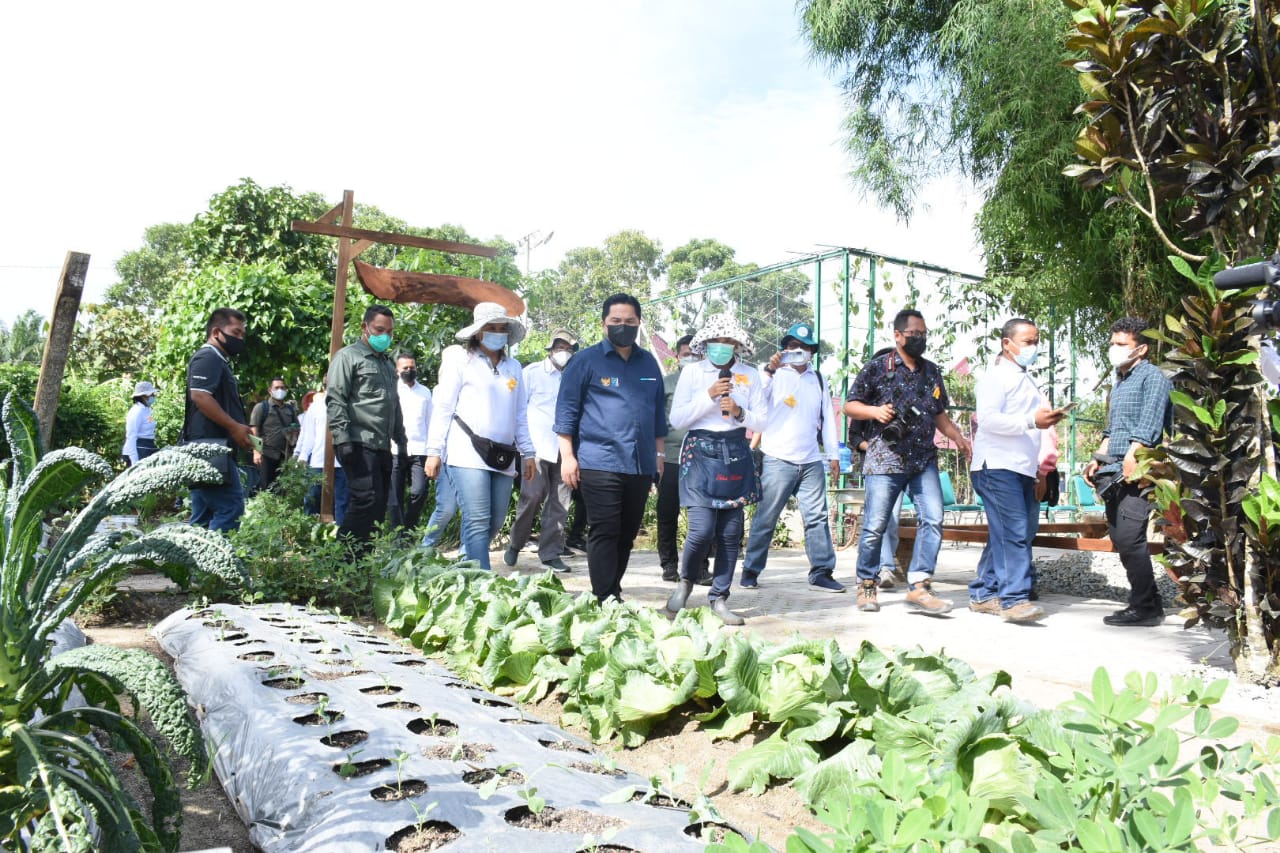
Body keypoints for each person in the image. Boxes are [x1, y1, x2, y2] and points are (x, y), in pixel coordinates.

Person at [844, 309, 972, 615]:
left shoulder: (931, 372)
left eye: (924, 334)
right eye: (915, 334)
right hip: (885, 460)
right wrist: (874, 413)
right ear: (898, 335)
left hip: (923, 459)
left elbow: (940, 415)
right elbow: (850, 405)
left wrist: (959, 438)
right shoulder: (878, 367)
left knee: (934, 518)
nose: (920, 339)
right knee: (875, 525)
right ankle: (866, 583)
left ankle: (919, 585)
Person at [555, 293, 667, 603]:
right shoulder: (585, 361)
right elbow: (566, 411)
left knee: (628, 533)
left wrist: (659, 454)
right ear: (604, 323)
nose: (622, 326)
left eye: (629, 321)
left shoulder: (649, 363)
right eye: (616, 321)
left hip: (640, 463)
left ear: (638, 323)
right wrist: (568, 457)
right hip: (598, 460)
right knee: (605, 529)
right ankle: (604, 595)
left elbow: (658, 412)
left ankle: (612, 588)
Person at [665, 314, 767, 625]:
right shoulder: (693, 373)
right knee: (701, 530)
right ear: (705, 344)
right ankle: (685, 582)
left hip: (735, 452)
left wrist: (739, 412)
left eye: (728, 342)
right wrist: (709, 397)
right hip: (699, 454)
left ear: (737, 345)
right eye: (716, 342)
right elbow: (678, 419)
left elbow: (763, 420)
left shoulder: (750, 375)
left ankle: (719, 598)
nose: (722, 347)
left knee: (730, 534)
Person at [425, 304, 535, 570]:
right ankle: (479, 583)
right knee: (477, 519)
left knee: (495, 520)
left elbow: (520, 413)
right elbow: (443, 408)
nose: (498, 333)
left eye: (502, 329)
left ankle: (466, 567)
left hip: (503, 455)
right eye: (491, 328)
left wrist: (528, 452)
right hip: (466, 451)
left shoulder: (514, 367)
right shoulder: (460, 362)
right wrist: (433, 451)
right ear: (477, 332)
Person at [968, 318, 1064, 623]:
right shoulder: (996, 377)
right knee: (1014, 533)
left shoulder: (1027, 380)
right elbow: (989, 420)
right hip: (996, 466)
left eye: (1036, 341)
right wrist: (1032, 421)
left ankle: (984, 593)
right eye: (1027, 342)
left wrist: (1038, 466)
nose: (1033, 347)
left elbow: (1033, 428)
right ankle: (1014, 600)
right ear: (1007, 344)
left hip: (1020, 467)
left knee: (1007, 533)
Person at [740, 322, 844, 592]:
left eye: (804, 348)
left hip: (810, 460)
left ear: (812, 352)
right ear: (784, 349)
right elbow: (755, 401)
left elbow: (828, 422)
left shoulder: (818, 379)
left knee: (817, 517)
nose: (799, 352)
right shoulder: (773, 375)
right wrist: (769, 371)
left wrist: (833, 456)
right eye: (793, 347)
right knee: (767, 516)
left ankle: (821, 570)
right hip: (777, 458)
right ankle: (751, 569)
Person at [1083, 317, 1173, 627]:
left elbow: (1149, 425)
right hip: (1114, 470)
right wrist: (1098, 458)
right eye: (1112, 343)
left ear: (1142, 349)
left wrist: (1135, 458)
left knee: (1130, 537)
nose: (1114, 349)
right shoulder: (1120, 381)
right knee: (1122, 538)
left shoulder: (1154, 378)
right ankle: (1150, 603)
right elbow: (1112, 429)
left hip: (1139, 469)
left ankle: (1144, 607)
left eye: (1122, 345)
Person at [326, 305, 408, 545]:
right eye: (380, 330)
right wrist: (342, 439)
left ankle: (362, 564)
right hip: (358, 443)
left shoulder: (385, 364)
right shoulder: (348, 357)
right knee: (365, 501)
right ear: (365, 327)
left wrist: (401, 441)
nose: (385, 337)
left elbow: (394, 404)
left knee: (378, 507)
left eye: (390, 332)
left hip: (381, 446)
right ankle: (341, 561)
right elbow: (336, 399)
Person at [504, 329, 579, 573]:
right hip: (535, 449)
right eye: (559, 347)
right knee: (532, 497)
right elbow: (515, 404)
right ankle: (516, 542)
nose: (563, 352)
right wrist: (520, 445)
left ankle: (550, 553)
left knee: (560, 503)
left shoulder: (575, 376)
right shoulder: (530, 373)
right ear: (550, 349)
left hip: (565, 451)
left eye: (568, 348)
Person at [182, 307, 254, 532]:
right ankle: (215, 563)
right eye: (236, 332)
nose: (240, 339)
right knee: (230, 508)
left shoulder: (218, 360)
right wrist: (234, 427)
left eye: (242, 334)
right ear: (216, 332)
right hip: (210, 448)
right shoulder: (207, 357)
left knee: (202, 516)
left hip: (207, 447)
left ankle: (190, 564)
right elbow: (200, 396)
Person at [657, 335, 711, 584]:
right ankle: (669, 565)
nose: (690, 357)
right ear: (677, 356)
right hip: (670, 457)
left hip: (700, 458)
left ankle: (700, 568)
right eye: (685, 353)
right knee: (667, 512)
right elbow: (656, 420)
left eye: (694, 353)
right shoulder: (666, 383)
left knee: (701, 516)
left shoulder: (707, 383)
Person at [388, 352, 432, 534]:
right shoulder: (392, 390)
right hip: (394, 450)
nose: (408, 370)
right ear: (397, 370)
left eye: (412, 367)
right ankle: (397, 536)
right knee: (394, 496)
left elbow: (430, 422)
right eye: (405, 368)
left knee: (419, 492)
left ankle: (409, 529)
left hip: (420, 450)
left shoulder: (425, 392)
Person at [293, 378, 349, 523]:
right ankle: (309, 532)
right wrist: (303, 456)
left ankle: (340, 537)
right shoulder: (316, 407)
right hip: (318, 461)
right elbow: (309, 435)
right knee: (312, 499)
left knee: (341, 502)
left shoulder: (348, 404)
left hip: (342, 463)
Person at [249, 377, 300, 493]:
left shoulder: (290, 410)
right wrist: (256, 451)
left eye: (282, 387)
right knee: (265, 488)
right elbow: (254, 429)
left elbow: (297, 429)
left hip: (285, 455)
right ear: (270, 390)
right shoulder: (262, 407)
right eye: (276, 388)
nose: (280, 390)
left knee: (283, 489)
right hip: (266, 454)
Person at [122, 381, 158, 466]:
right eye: (151, 395)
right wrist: (134, 460)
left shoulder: (147, 410)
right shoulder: (136, 411)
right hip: (138, 448)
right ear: (143, 396)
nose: (153, 397)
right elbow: (131, 435)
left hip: (148, 446)